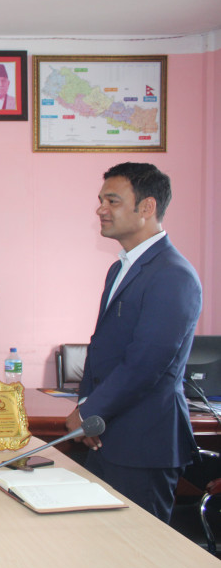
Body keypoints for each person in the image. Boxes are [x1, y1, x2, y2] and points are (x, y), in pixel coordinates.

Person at [65, 162, 201, 523]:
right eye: (100, 200)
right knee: (99, 544)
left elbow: (146, 363)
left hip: (144, 443)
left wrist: (90, 412)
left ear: (147, 207)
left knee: (140, 549)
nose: (100, 209)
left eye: (112, 201)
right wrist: (88, 406)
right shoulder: (120, 268)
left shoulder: (173, 275)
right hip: (106, 436)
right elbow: (102, 348)